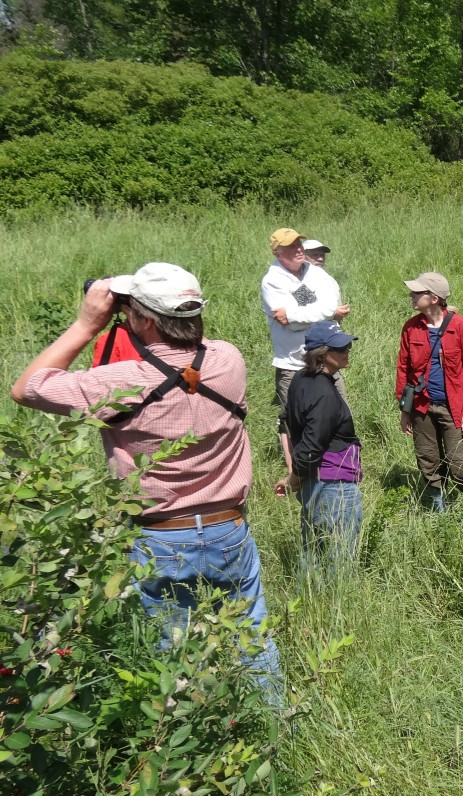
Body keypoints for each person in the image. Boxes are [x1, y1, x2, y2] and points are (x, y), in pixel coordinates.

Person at [10, 263, 279, 683]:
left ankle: (183, 735)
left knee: (171, 650)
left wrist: (87, 323)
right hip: (229, 527)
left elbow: (27, 387)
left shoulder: (120, 382)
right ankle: (273, 731)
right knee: (252, 638)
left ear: (144, 320)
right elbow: (187, 359)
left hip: (160, 535)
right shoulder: (228, 360)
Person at [395, 271, 463, 523]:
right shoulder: (411, 328)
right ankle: (439, 513)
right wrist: (405, 410)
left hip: (453, 407)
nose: (411, 295)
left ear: (433, 297)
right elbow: (404, 370)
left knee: (459, 464)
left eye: (417, 292)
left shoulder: (460, 326)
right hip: (421, 407)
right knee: (428, 460)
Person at [275, 322, 363, 574]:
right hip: (334, 486)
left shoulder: (301, 379)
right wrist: (293, 477)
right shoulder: (324, 393)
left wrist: (294, 475)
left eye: (347, 345)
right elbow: (312, 447)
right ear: (322, 354)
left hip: (313, 482)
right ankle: (339, 607)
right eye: (340, 347)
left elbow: (285, 425)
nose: (347, 350)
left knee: (312, 552)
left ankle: (311, 603)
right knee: (340, 558)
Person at [261, 228, 350, 471]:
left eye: (299, 244)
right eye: (291, 247)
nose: (299, 249)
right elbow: (286, 320)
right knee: (293, 420)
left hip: (326, 360)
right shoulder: (273, 280)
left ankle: (338, 467)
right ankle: (296, 474)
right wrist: (328, 312)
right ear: (278, 253)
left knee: (340, 411)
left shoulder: (316, 274)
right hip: (292, 363)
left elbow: (331, 305)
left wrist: (299, 313)